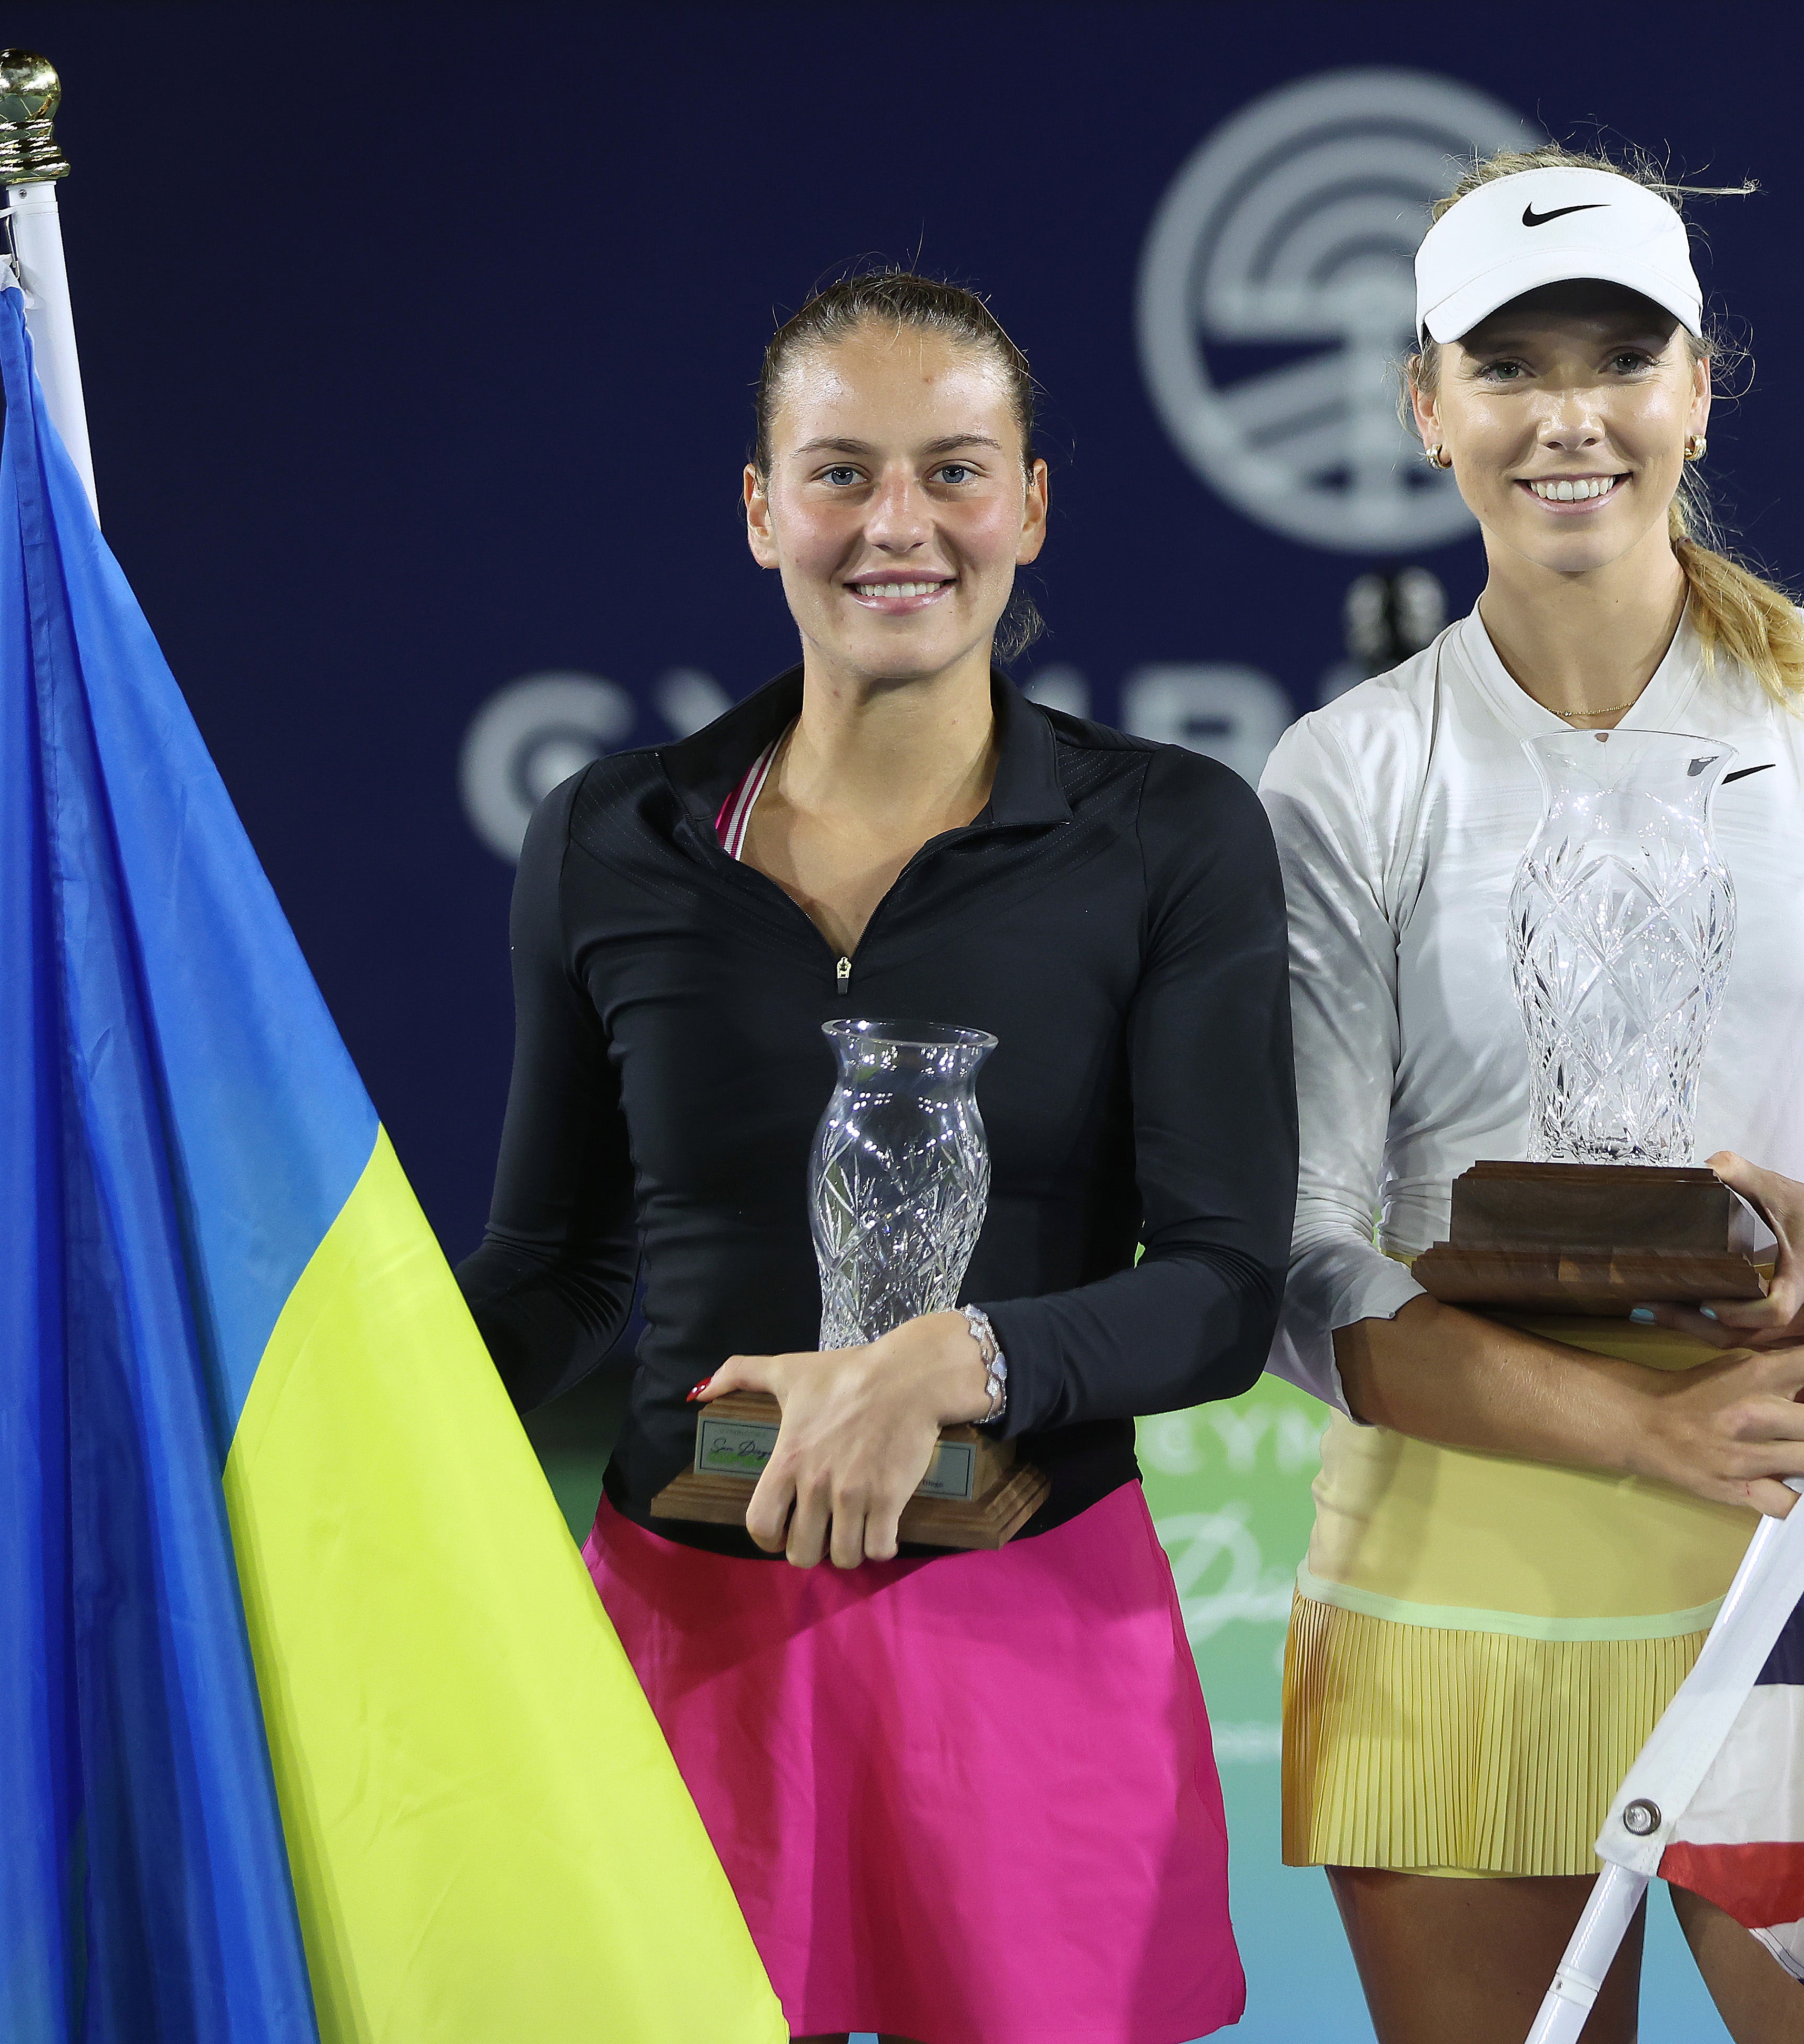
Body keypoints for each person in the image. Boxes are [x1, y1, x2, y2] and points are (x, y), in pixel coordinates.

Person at [458, 270, 1292, 2044]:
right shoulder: (611, 835)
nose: (896, 525)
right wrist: (335, 1413)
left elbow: (1224, 1284)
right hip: (684, 1637)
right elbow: (561, 1268)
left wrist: (955, 1363)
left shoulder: (1170, 834)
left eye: (953, 471)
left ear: (1032, 504)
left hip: (1027, 1630)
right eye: (838, 473)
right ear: (759, 508)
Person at [1261, 151, 1804, 2042]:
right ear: (1425, 409)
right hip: (1459, 1578)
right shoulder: (1344, 776)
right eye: (1510, 366)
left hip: (1800, 1538)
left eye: (1619, 355)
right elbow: (1298, 1261)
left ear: (1696, 384)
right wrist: (1634, 1434)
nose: (1568, 414)